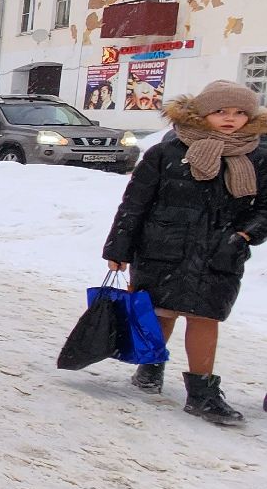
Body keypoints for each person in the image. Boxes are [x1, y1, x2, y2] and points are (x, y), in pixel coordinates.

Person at [103, 80, 267, 426]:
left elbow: (265, 207)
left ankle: (202, 393)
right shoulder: (166, 152)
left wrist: (243, 235)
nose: (230, 119)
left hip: (220, 252)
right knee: (161, 313)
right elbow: (135, 203)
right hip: (162, 247)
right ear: (202, 112)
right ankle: (151, 364)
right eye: (221, 111)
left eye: (239, 113)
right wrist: (119, 247)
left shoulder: (257, 154)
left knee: (206, 318)